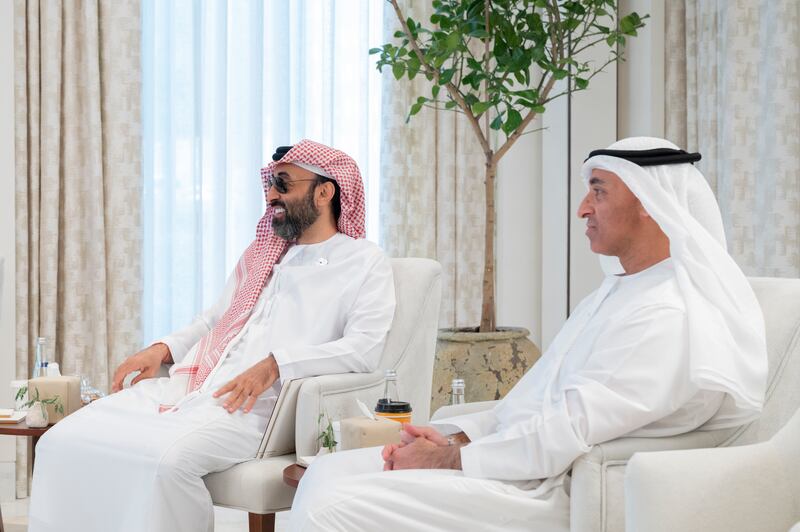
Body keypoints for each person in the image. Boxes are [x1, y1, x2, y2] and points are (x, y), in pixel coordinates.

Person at [288, 137, 768, 532]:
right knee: (327, 472)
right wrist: (455, 436)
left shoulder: (668, 313)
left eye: (598, 191)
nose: (582, 208)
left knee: (331, 509)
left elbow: (568, 431)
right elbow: (536, 403)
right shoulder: (619, 292)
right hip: (519, 464)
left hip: (554, 489)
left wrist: (449, 459)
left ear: (649, 202)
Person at [28, 140, 396, 532]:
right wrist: (162, 348)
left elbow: (363, 351)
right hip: (196, 387)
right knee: (61, 441)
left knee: (168, 464)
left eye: (283, 184)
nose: (271, 194)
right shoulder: (263, 252)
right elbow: (215, 321)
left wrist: (276, 365)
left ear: (325, 192)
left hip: (258, 409)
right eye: (270, 183)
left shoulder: (363, 262)